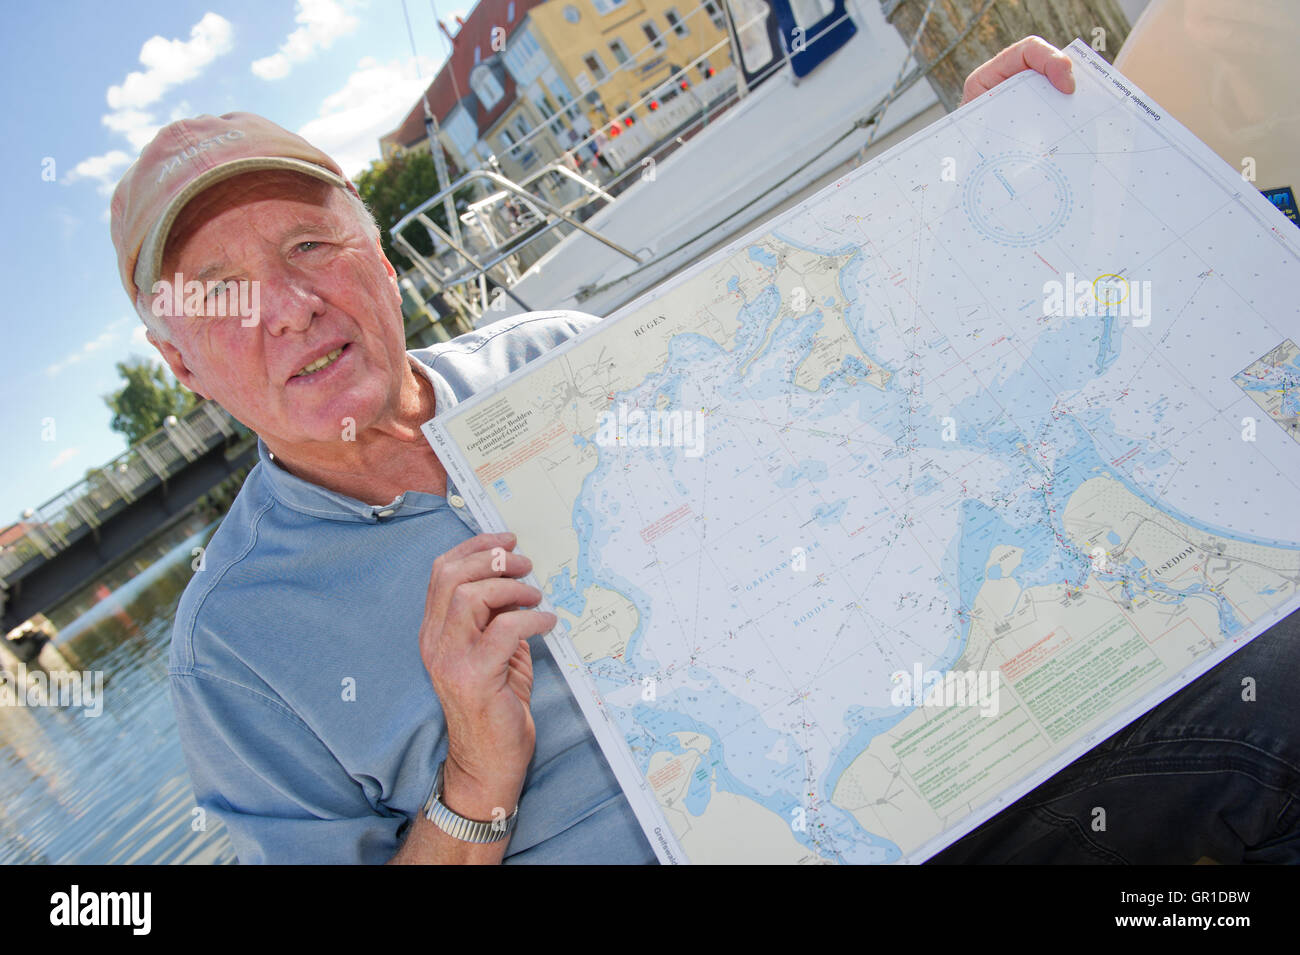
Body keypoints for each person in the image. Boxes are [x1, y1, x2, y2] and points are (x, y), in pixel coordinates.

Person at [111, 37, 1288, 865]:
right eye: (218, 292)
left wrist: (988, 183)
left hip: (934, 791)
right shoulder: (237, 649)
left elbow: (874, 442)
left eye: (312, 247)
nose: (287, 307)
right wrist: (476, 773)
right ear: (182, 367)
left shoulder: (565, 359)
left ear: (377, 255)